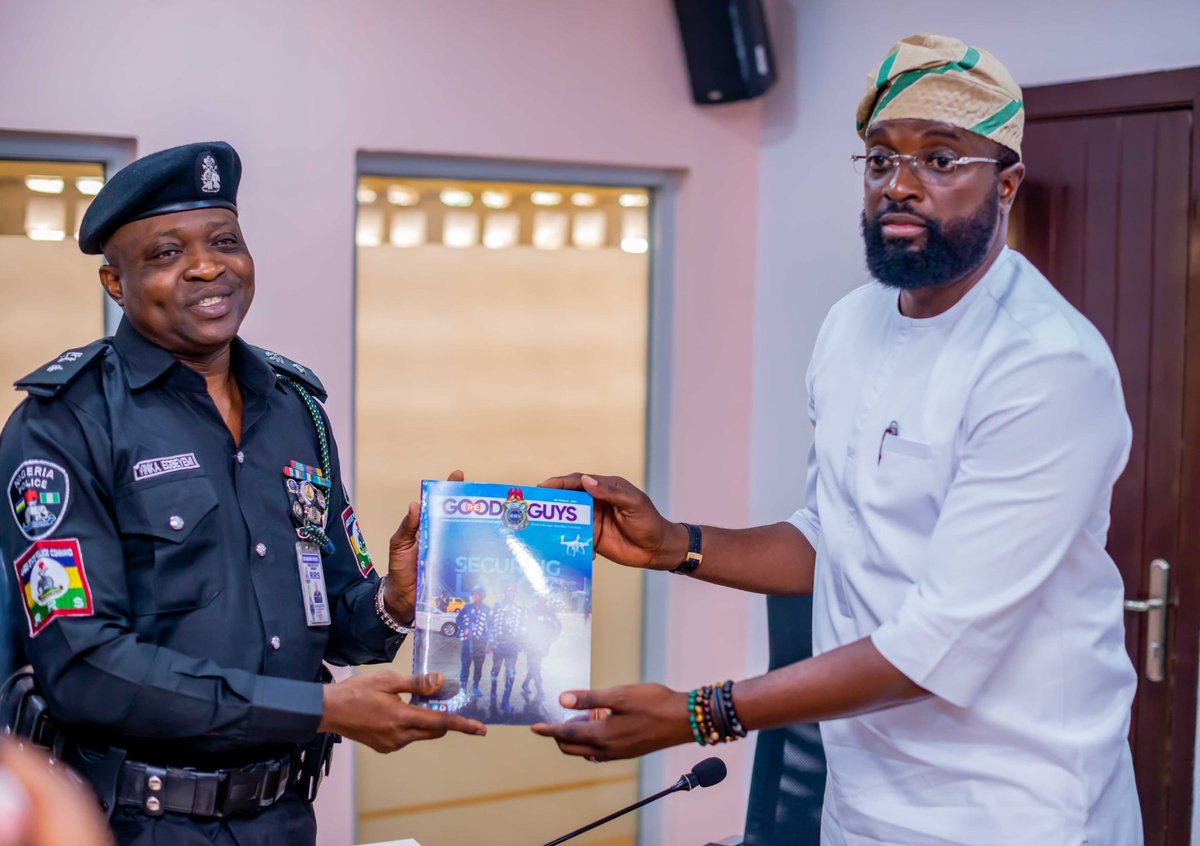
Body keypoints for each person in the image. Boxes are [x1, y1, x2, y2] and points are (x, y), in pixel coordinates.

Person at [532, 34, 1142, 846]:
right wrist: (676, 544)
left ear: (1007, 183)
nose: (902, 185)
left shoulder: (1045, 366)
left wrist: (698, 714)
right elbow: (835, 539)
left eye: (939, 159)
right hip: (863, 799)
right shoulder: (850, 325)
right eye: (881, 159)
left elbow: (937, 646)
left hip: (1014, 806)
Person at [0, 141, 485, 846]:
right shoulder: (64, 421)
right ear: (114, 283)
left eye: (224, 241)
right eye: (165, 253)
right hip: (136, 822)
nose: (206, 266)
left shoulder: (295, 408)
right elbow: (86, 667)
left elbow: (334, 619)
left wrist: (394, 602)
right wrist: (320, 709)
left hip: (283, 817)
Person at [488, 583, 523, 712]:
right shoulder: (497, 605)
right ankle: (493, 691)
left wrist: (523, 641)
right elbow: (490, 623)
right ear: (504, 592)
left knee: (511, 674)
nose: (511, 593)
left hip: (513, 647)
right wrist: (491, 641)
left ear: (516, 593)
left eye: (513, 591)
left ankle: (505, 701)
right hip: (499, 645)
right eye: (508, 590)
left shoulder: (520, 607)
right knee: (495, 672)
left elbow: (524, 626)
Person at [521, 593, 561, 702]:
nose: (542, 599)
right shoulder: (530, 610)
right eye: (540, 597)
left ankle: (525, 684)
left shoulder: (549, 612)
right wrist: (524, 641)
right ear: (537, 598)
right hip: (530, 645)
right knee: (536, 667)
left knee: (534, 667)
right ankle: (540, 691)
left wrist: (553, 636)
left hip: (542, 645)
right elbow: (524, 626)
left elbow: (557, 624)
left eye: (544, 597)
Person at [456, 585, 490, 698]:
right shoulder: (467, 607)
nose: (475, 596)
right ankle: (463, 686)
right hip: (467, 642)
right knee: (465, 664)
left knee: (478, 666)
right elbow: (458, 619)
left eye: (478, 594)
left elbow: (490, 625)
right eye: (474, 594)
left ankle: (475, 686)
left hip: (480, 643)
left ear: (482, 596)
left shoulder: (487, 608)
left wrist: (490, 641)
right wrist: (464, 628)